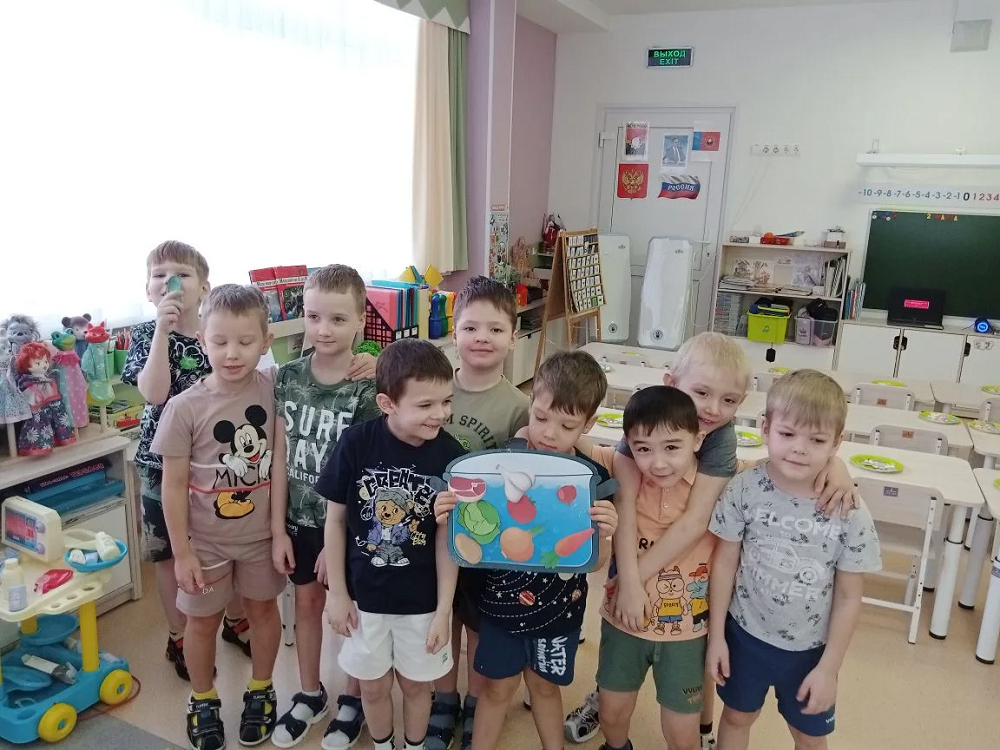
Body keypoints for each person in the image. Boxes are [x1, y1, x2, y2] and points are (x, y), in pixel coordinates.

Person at [567, 332, 858, 749]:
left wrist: (834, 463)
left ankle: (701, 729)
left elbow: (699, 519)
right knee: (619, 680)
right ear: (671, 384)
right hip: (629, 600)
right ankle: (606, 700)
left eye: (729, 400)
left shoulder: (719, 438)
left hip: (688, 605)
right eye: (701, 393)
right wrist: (628, 582)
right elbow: (624, 500)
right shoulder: (646, 421)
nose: (712, 410)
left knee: (689, 684)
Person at [436, 351, 618, 750]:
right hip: (500, 607)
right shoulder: (498, 464)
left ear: (588, 425)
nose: (549, 433)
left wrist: (604, 535)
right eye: (540, 417)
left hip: (560, 611)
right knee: (496, 689)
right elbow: (472, 533)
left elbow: (596, 563)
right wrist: (451, 510)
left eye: (567, 426)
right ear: (530, 404)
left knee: (545, 688)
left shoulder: (592, 480)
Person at [706, 370, 882, 750]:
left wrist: (829, 669)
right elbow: (724, 564)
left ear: (836, 443)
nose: (799, 449)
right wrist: (716, 636)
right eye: (787, 434)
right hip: (744, 637)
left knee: (810, 737)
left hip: (810, 652)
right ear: (766, 429)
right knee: (736, 717)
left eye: (816, 440)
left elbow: (849, 597)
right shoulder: (744, 489)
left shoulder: (849, 511)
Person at [153, 285, 289, 750]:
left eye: (245, 342)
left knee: (262, 611)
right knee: (203, 622)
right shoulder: (183, 407)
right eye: (220, 341)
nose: (232, 353)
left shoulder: (275, 389)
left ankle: (261, 688)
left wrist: (277, 533)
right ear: (202, 340)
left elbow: (324, 369)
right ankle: (203, 698)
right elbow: (172, 486)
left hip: (261, 538)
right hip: (205, 543)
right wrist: (182, 553)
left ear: (266, 341)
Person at [320, 338, 466, 750]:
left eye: (446, 401)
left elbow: (448, 540)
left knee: (418, 688)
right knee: (372, 687)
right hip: (364, 601)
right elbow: (335, 521)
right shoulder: (356, 443)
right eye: (426, 404)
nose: (440, 413)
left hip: (422, 604)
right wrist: (337, 594)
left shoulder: (450, 456)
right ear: (387, 404)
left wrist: (443, 611)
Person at [120, 241, 253, 678]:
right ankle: (178, 635)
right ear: (148, 289)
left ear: (204, 287)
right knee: (170, 554)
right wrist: (162, 331)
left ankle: (235, 620)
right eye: (159, 275)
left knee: (225, 544)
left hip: (217, 465)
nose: (169, 282)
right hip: (161, 466)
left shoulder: (216, 335)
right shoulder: (145, 336)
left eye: (181, 274)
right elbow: (154, 393)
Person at [270, 265, 383, 749]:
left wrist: (338, 541)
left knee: (353, 610)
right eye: (314, 316)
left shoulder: (367, 387)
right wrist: (278, 529)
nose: (324, 329)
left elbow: (369, 472)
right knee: (307, 604)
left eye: (338, 319)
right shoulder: (287, 377)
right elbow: (279, 457)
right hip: (298, 520)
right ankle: (310, 692)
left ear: (360, 320)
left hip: (349, 527)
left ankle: (353, 700)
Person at [429, 276, 530, 750]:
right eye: (470, 328)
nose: (481, 338)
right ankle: (443, 698)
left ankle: (474, 700)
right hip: (432, 532)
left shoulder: (520, 407)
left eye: (495, 329)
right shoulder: (434, 388)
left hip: (486, 541)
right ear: (454, 333)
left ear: (513, 336)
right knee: (441, 616)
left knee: (476, 624)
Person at [591, 386, 715, 750]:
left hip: (687, 634)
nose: (658, 463)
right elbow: (566, 439)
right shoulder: (621, 467)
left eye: (672, 447)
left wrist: (835, 468)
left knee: (681, 733)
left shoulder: (717, 481)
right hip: (622, 622)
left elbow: (782, 465)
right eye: (643, 449)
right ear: (628, 445)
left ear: (698, 440)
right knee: (611, 714)